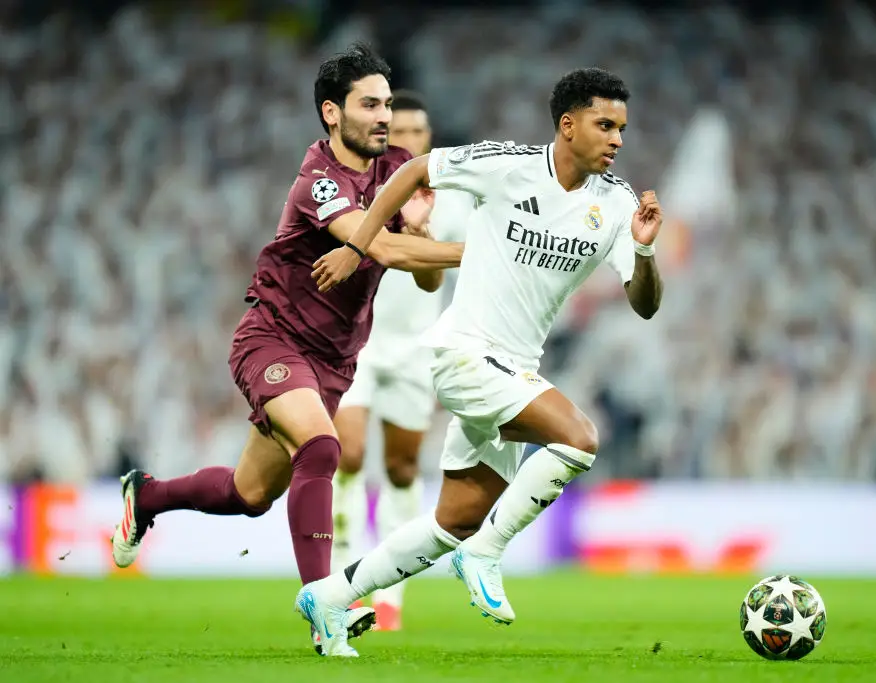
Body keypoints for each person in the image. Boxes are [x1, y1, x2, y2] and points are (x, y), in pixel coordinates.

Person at [107, 43, 463, 656]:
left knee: (249, 495)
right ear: (332, 113)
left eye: (387, 103)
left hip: (333, 360)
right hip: (273, 338)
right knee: (324, 446)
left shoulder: (397, 167)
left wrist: (427, 234)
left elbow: (422, 275)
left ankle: (149, 496)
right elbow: (378, 249)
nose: (384, 116)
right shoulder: (318, 181)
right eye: (369, 105)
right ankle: (326, 606)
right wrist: (474, 254)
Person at [295, 67, 664, 656]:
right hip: (465, 352)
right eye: (605, 124)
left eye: (622, 127)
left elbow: (644, 304)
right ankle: (488, 553)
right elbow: (416, 169)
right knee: (579, 438)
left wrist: (643, 249)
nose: (618, 138)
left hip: (514, 368)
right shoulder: (508, 164)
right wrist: (357, 244)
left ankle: (332, 596)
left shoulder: (617, 204)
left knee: (454, 520)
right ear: (568, 126)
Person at [330, 90, 475, 631]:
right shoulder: (358, 188)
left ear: (429, 140)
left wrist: (422, 235)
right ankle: (341, 576)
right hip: (357, 343)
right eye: (400, 132)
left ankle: (390, 590)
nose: (408, 140)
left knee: (401, 467)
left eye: (418, 132)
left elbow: (435, 279)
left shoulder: (453, 200)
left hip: (416, 347)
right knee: (347, 453)